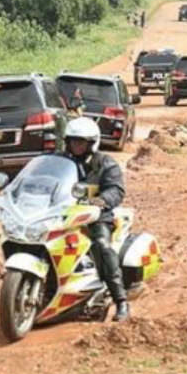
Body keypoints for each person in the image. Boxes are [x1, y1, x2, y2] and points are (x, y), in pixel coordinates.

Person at [63, 117, 129, 321]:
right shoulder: (62, 161)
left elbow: (116, 190)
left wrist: (101, 200)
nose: (76, 145)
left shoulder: (106, 164)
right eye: (73, 141)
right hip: (62, 214)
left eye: (81, 142)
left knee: (102, 245)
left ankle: (121, 301)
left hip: (95, 216)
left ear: (92, 143)